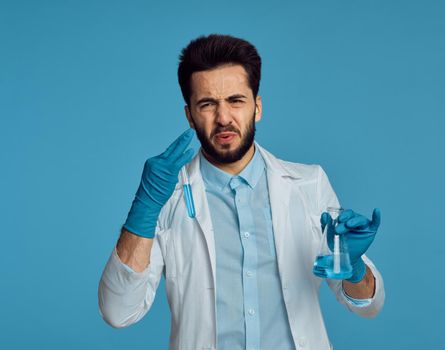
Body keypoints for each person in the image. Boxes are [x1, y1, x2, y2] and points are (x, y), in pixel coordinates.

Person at [98, 34, 385, 350]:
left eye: (236, 100)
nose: (223, 118)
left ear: (257, 107)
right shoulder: (168, 196)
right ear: (190, 116)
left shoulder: (308, 184)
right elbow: (118, 311)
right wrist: (145, 208)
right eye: (207, 104)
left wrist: (355, 267)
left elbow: (367, 305)